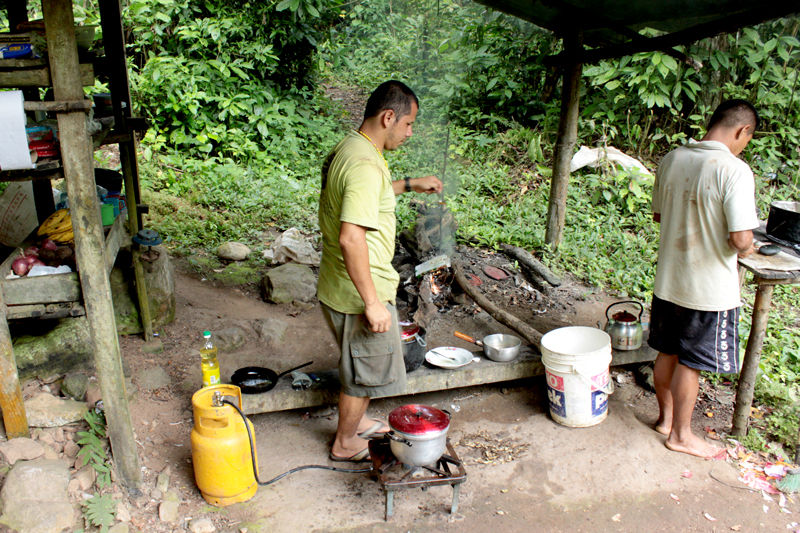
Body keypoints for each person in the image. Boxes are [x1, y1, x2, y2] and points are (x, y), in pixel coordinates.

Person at [317, 80, 443, 462]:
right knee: (367, 371)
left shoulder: (352, 148)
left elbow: (369, 192)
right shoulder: (364, 165)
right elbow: (351, 237)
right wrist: (372, 303)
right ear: (389, 117)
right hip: (359, 290)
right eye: (408, 124)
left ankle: (356, 424)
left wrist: (410, 184)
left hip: (338, 283)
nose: (410, 132)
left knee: (362, 362)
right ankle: (345, 442)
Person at [649, 99, 760, 458]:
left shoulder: (673, 159)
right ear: (742, 130)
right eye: (747, 139)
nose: (744, 146)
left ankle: (665, 420)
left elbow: (659, 216)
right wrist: (749, 245)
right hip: (707, 290)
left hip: (669, 281)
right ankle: (681, 436)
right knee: (691, 362)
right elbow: (740, 239)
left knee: (667, 351)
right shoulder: (734, 170)